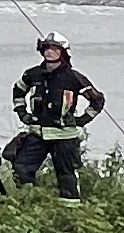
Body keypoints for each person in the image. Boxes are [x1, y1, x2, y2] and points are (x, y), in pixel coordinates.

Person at [7, 34, 107, 200]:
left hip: (64, 137)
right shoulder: (33, 74)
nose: (49, 52)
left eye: (54, 49)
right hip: (38, 133)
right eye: (46, 48)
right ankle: (28, 202)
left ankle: (71, 209)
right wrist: (22, 113)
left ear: (63, 52)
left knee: (67, 176)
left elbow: (97, 100)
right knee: (21, 169)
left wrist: (82, 120)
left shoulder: (74, 78)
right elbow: (18, 90)